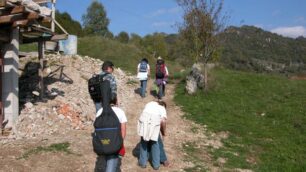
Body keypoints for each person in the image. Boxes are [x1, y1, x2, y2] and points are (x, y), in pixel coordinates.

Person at [94, 98, 127, 172]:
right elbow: (123, 129)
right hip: (114, 143)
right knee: (111, 164)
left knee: (104, 162)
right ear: (116, 102)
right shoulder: (120, 111)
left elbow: (96, 128)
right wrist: (120, 142)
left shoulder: (100, 111)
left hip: (102, 142)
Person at [137, 100, 168, 170]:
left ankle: (142, 163)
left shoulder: (149, 103)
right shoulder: (162, 108)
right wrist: (163, 133)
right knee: (155, 143)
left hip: (144, 119)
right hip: (154, 121)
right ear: (163, 105)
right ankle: (156, 165)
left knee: (144, 142)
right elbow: (163, 122)